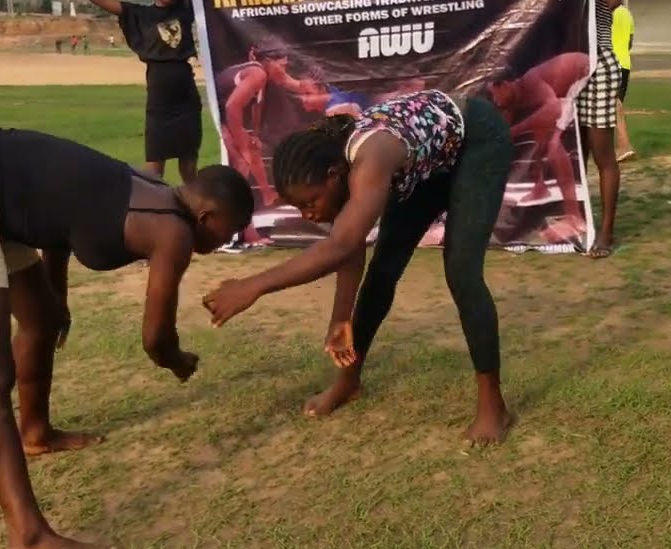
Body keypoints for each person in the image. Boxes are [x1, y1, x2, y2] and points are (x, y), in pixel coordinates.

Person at [0, 128, 254, 549]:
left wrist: (57, 299)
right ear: (206, 216)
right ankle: (27, 539)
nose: (228, 240)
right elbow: (156, 338)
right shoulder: (174, 232)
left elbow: (58, 221)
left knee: (43, 320)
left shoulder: (154, 191)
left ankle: (36, 433)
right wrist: (178, 360)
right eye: (232, 229)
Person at [202, 89, 517, 446]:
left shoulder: (372, 157)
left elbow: (341, 245)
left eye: (310, 203)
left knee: (461, 272)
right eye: (300, 209)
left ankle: (494, 405)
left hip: (476, 139)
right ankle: (349, 382)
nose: (309, 215)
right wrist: (341, 319)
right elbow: (349, 247)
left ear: (335, 175)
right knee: (382, 272)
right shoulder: (344, 172)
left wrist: (252, 286)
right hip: (429, 160)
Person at [86, 0, 202, 184]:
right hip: (159, 101)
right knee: (153, 170)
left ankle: (196, 215)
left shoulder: (184, 8)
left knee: (189, 167)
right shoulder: (137, 13)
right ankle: (155, 214)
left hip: (187, 98)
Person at [487, 52, 592, 246]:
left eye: (495, 93)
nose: (495, 101)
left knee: (553, 146)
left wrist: (514, 131)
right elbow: (503, 136)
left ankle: (575, 217)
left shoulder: (532, 80)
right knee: (540, 132)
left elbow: (553, 110)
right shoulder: (512, 101)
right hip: (561, 92)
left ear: (506, 85)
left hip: (584, 70)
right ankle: (539, 186)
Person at [215, 43, 313, 245]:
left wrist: (254, 135)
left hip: (225, 117)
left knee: (253, 151)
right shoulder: (257, 73)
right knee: (242, 166)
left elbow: (256, 107)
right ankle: (245, 232)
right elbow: (232, 106)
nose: (284, 70)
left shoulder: (262, 77)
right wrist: (241, 142)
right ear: (268, 62)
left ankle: (268, 196)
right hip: (219, 117)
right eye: (282, 66)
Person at [573, 0, 625, 258]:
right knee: (574, 155)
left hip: (599, 64)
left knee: (602, 152)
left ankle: (605, 232)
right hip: (568, 63)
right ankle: (577, 225)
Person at [611, 0, 636, 162]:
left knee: (614, 107)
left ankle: (624, 146)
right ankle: (621, 146)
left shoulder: (607, 14)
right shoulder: (627, 14)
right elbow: (630, 42)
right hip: (625, 63)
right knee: (616, 104)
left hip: (610, 63)